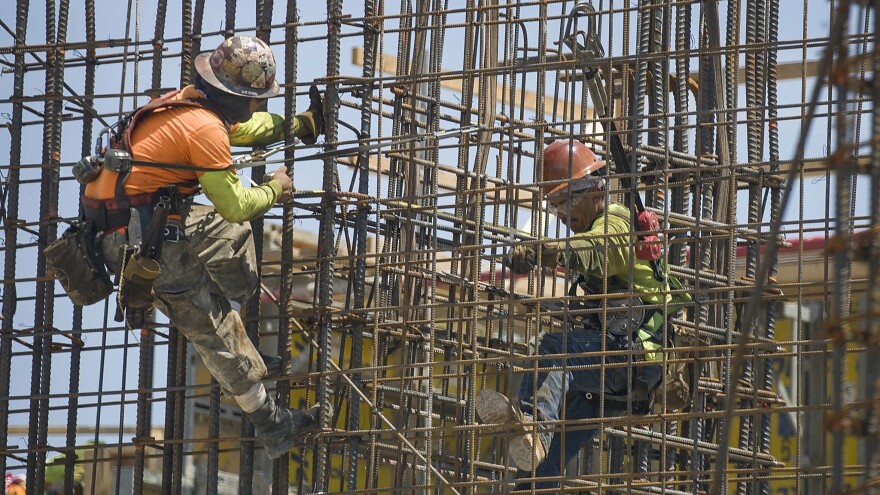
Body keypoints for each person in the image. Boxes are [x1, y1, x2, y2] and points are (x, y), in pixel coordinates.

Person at [82, 35, 326, 459]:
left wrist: (299, 126)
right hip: (138, 242)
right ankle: (273, 426)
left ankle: (235, 321)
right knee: (214, 326)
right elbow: (234, 205)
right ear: (236, 97)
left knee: (223, 238)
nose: (255, 107)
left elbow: (246, 131)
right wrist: (276, 188)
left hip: (130, 223)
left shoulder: (188, 105)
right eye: (254, 100)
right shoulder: (205, 129)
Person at [476, 139, 673, 488]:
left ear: (594, 190)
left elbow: (597, 250)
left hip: (632, 357)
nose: (562, 215)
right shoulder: (590, 226)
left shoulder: (617, 222)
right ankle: (532, 441)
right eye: (554, 206)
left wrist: (549, 251)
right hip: (611, 370)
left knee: (552, 349)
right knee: (536, 473)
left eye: (566, 201)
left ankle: (532, 425)